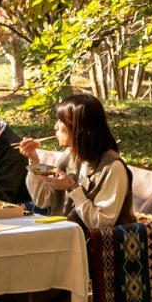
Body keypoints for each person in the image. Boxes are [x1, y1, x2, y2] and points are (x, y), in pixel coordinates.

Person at [20, 92, 133, 230]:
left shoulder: (112, 167)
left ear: (80, 129)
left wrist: (72, 188)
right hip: (64, 234)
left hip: (97, 245)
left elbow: (101, 224)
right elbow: (43, 201)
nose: (55, 126)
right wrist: (34, 161)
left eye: (61, 121)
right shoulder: (68, 156)